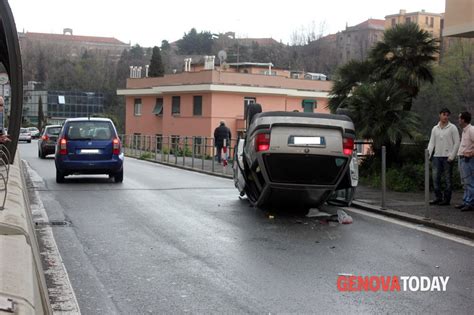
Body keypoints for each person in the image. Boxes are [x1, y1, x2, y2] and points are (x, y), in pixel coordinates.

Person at [427, 108, 460, 206]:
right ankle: (438, 197)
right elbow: (431, 143)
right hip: (437, 156)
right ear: (439, 115)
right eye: (443, 114)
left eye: (447, 115)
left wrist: (452, 156)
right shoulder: (435, 128)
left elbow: (457, 142)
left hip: (447, 157)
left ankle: (446, 199)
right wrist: (428, 155)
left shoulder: (452, 127)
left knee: (447, 179)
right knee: (435, 178)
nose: (445, 117)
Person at [456, 112, 474, 212]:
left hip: (468, 160)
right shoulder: (464, 131)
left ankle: (470, 202)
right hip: (462, 158)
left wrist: (471, 153)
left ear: (463, 119)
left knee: (470, 182)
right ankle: (466, 201)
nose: (458, 120)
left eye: (459, 118)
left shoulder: (471, 130)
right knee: (465, 182)